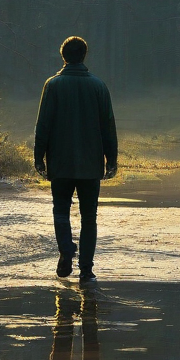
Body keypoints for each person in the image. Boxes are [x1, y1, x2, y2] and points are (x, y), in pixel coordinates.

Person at [34, 36, 118, 282]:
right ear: (84, 56)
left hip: (60, 162)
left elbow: (43, 125)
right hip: (91, 164)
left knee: (60, 211)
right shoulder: (99, 86)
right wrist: (111, 159)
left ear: (64, 56)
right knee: (89, 217)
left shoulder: (53, 85)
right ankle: (86, 269)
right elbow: (108, 126)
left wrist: (39, 157)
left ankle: (66, 252)